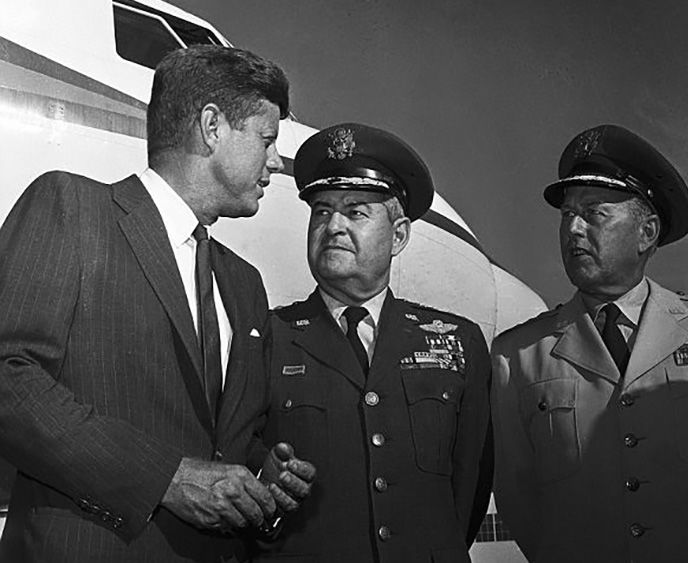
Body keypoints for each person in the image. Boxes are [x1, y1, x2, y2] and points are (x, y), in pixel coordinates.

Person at [0, 45, 315, 563]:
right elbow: (8, 377)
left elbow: (223, 440)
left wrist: (261, 480)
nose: (276, 162)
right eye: (267, 139)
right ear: (212, 127)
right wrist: (166, 477)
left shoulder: (244, 283)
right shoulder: (71, 209)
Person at [492, 124, 688, 562]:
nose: (572, 228)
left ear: (646, 232)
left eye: (594, 213)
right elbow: (519, 499)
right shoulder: (517, 355)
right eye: (566, 214)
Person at [252, 123, 492, 562]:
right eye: (321, 211)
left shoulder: (459, 344)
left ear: (398, 235)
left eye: (356, 212)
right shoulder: (265, 338)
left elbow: (469, 487)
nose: (334, 226)